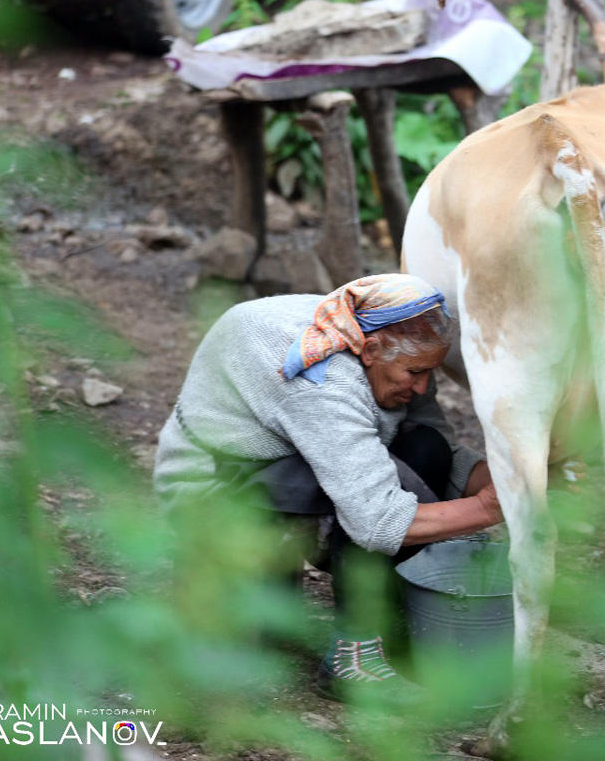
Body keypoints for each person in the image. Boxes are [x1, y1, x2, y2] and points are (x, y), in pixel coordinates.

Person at [153, 273, 502, 698]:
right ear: (370, 351)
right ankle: (353, 661)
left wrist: (512, 484)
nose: (423, 387)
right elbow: (377, 519)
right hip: (213, 492)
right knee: (379, 497)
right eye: (415, 372)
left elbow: (436, 442)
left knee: (425, 449)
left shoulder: (380, 334)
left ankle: (381, 623)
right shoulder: (322, 380)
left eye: (430, 372)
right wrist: (488, 509)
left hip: (281, 470)